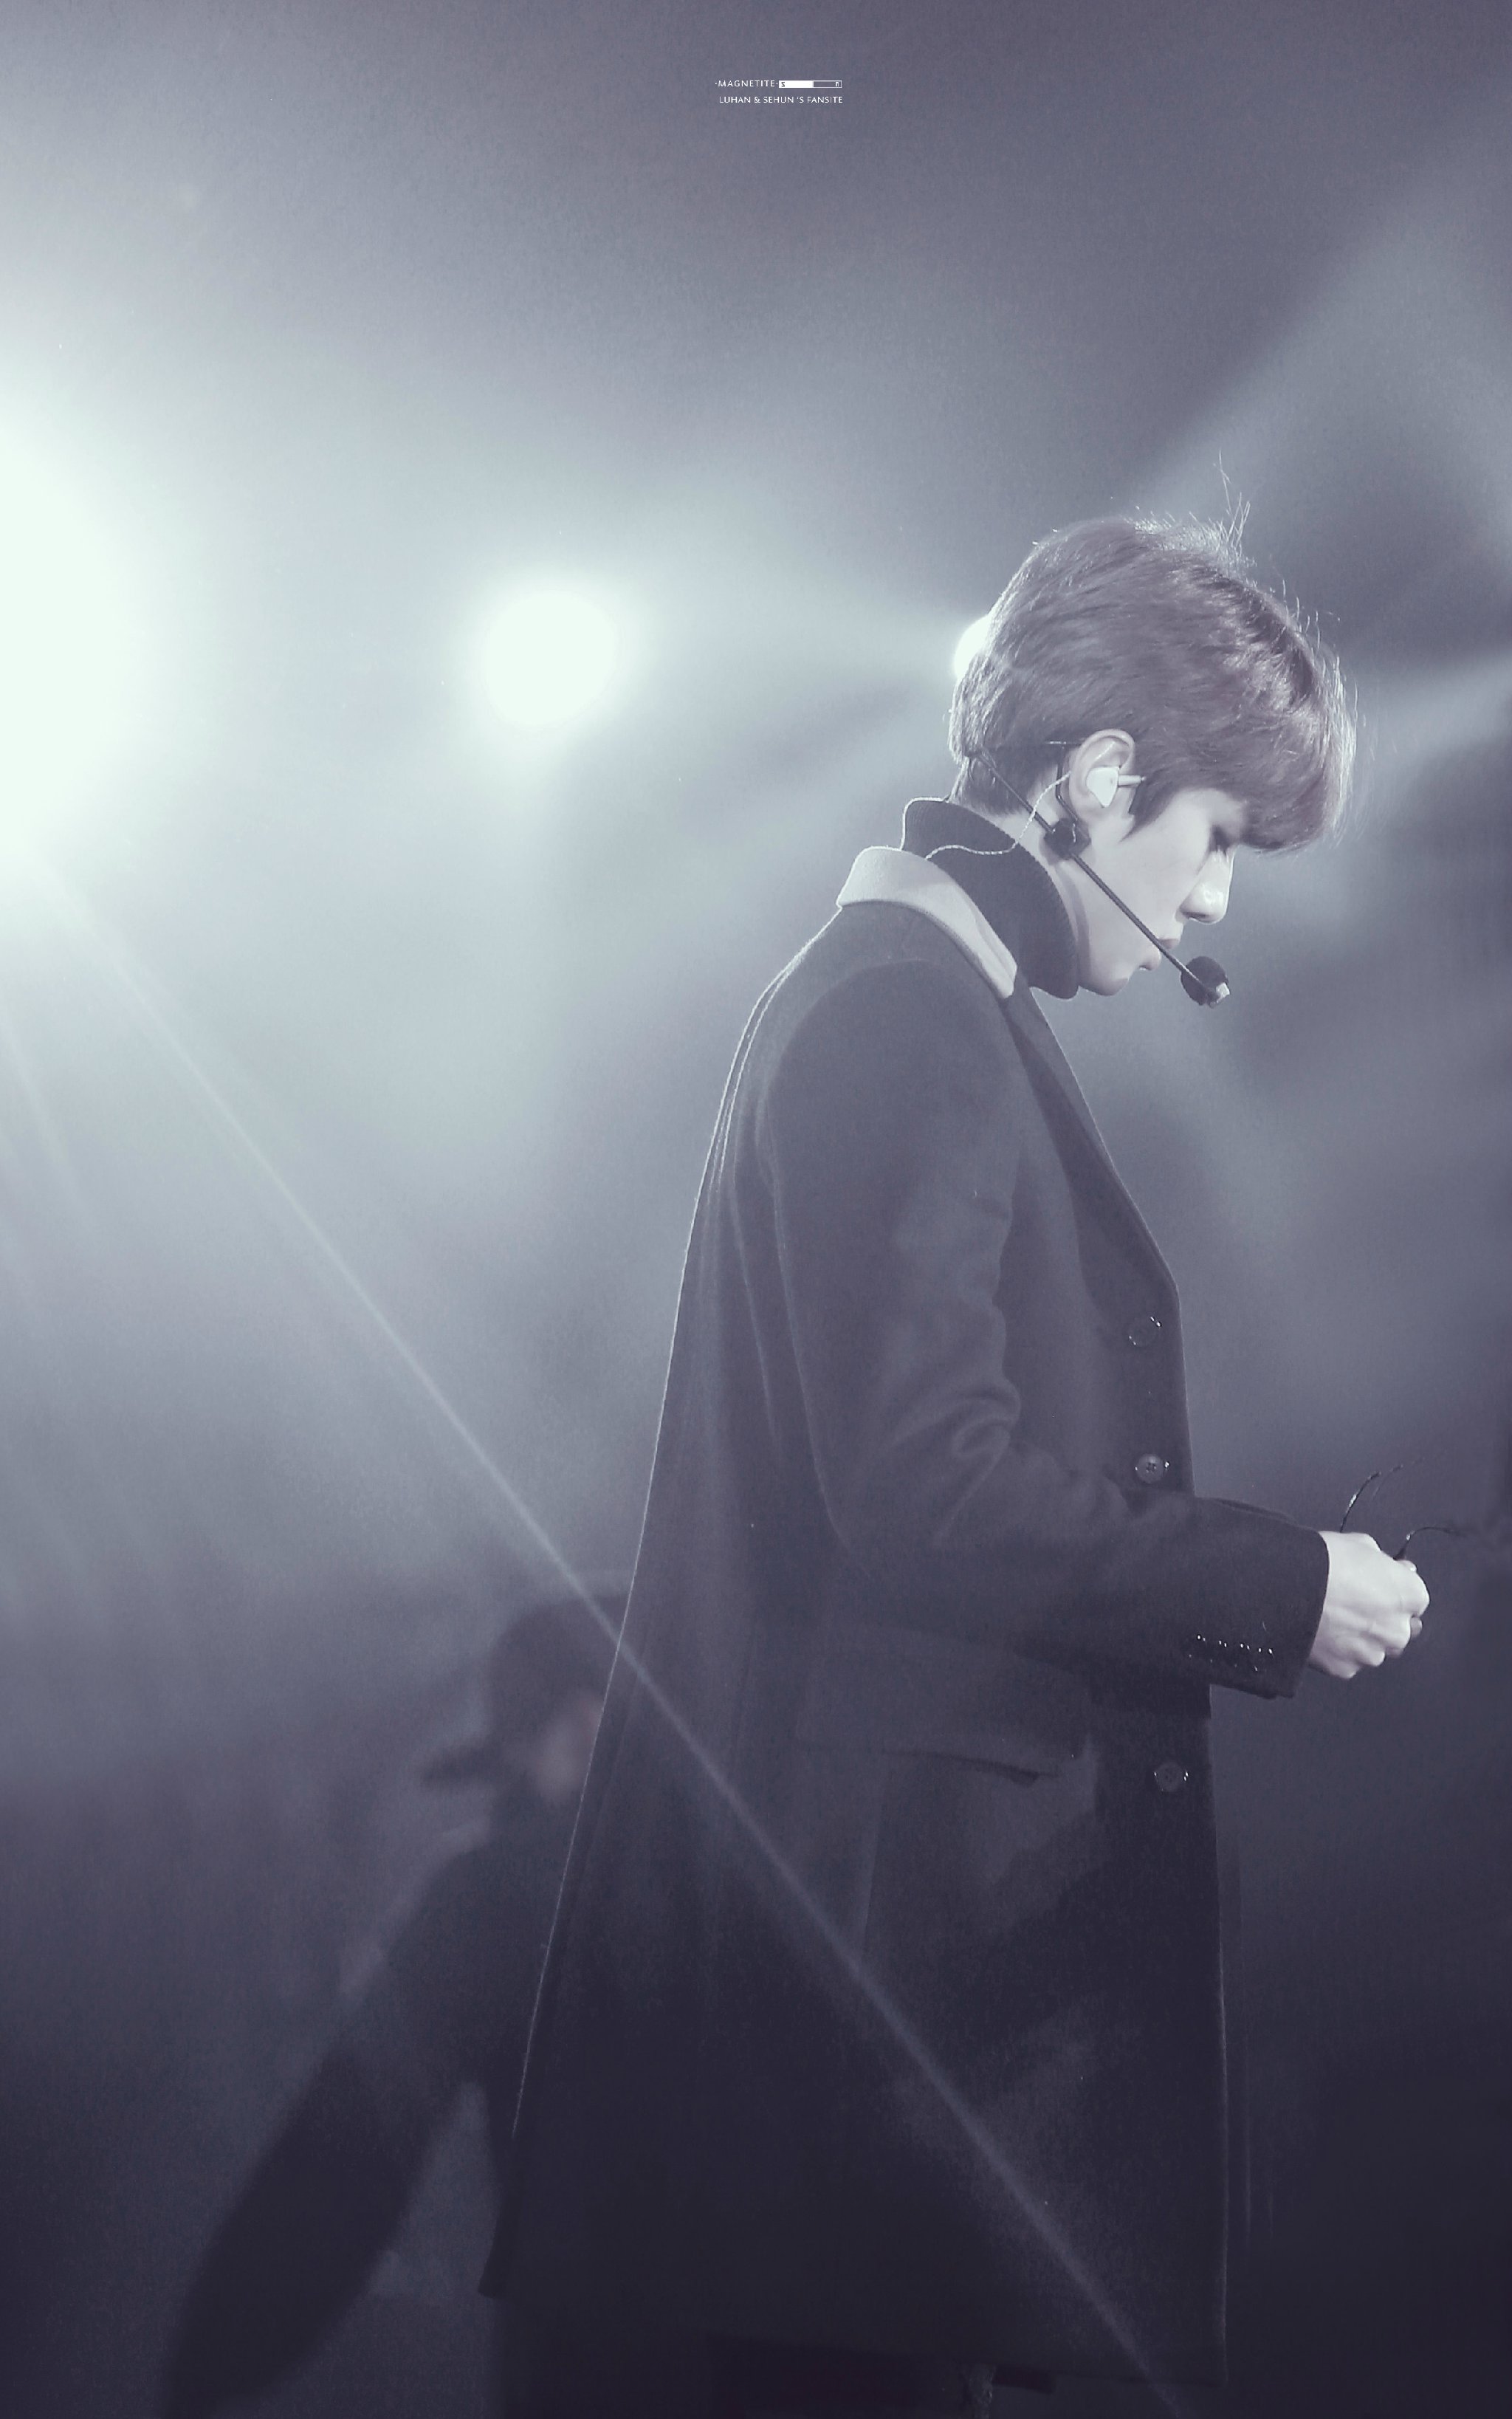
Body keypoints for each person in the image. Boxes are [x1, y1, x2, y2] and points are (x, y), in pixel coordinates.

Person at [483, 518, 1429, 2418]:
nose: (1214, 899)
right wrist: (1278, 1585)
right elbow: (922, 1489)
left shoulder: (898, 1000)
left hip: (845, 2027)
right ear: (1097, 777)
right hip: (852, 2021)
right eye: (1216, 838)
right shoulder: (904, 1017)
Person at [161, 1588, 622, 2419]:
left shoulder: (490, 1894)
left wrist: (203, 2373)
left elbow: (341, 2161)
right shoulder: (808, 1891)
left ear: (577, 1723)